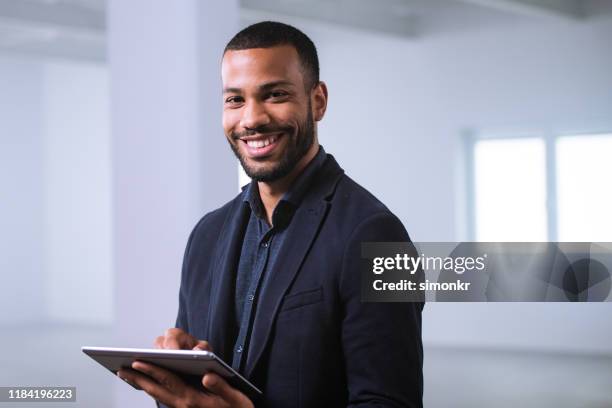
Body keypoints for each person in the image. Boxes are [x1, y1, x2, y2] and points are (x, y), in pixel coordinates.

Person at [117, 21, 424, 408]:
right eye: (234, 100)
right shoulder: (206, 235)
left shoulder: (379, 235)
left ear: (318, 101)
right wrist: (179, 384)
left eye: (274, 94)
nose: (252, 119)